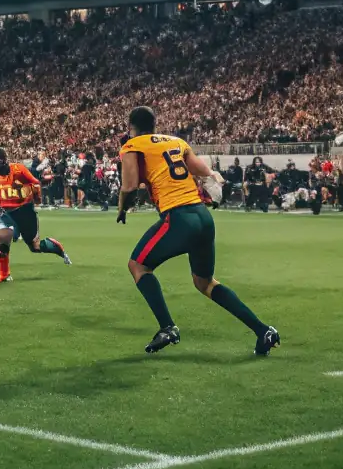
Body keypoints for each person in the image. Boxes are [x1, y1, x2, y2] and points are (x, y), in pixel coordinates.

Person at [118, 106, 279, 357]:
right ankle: (263, 330)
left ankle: (167, 327)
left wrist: (121, 209)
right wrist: (214, 175)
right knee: (204, 282)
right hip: (203, 217)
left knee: (137, 265)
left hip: (178, 217)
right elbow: (199, 168)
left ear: (132, 127)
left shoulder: (132, 145)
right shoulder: (175, 141)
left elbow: (128, 185)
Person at [0, 147, 70, 284]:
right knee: (3, 237)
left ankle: (57, 248)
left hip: (25, 210)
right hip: (6, 211)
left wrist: (29, 192)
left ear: (6, 162)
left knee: (35, 247)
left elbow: (35, 183)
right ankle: (4, 274)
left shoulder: (19, 169)